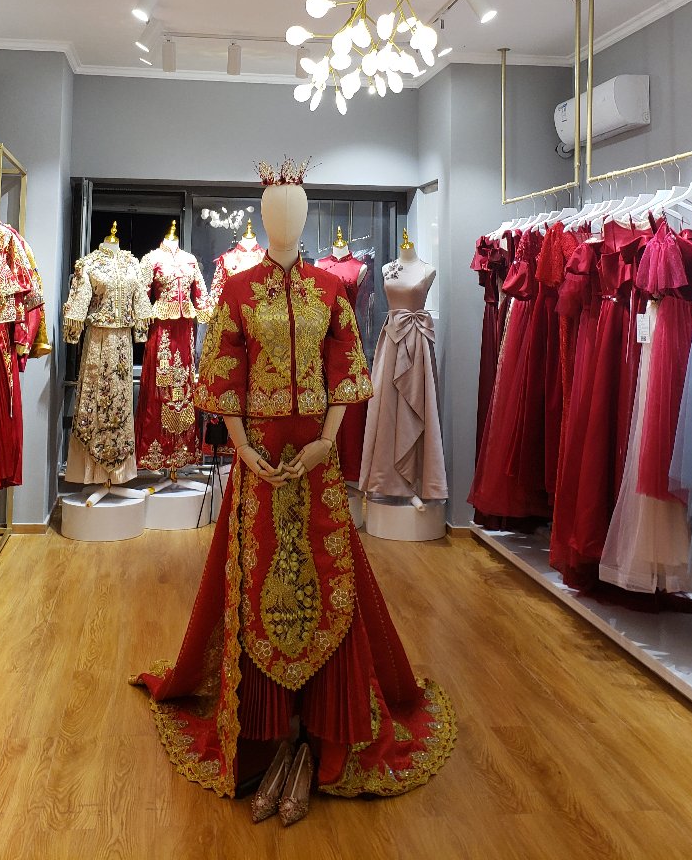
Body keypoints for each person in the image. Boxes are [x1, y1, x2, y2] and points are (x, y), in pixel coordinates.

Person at [135, 160, 454, 823]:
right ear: (263, 215)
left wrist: (328, 442)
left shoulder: (328, 290)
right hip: (258, 458)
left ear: (306, 215)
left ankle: (322, 738)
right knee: (258, 582)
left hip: (315, 457)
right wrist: (243, 447)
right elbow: (223, 372)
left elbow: (346, 367)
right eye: (276, 210)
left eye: (297, 209)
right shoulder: (238, 290)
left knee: (328, 577)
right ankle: (269, 738)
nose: (286, 220)